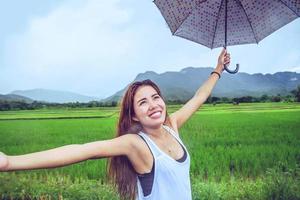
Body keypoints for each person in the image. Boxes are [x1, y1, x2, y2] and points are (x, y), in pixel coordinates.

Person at [0, 48, 230, 200]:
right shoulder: (136, 144)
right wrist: (9, 162)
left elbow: (199, 97)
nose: (153, 105)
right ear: (135, 116)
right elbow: (82, 151)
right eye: (143, 102)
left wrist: (218, 69)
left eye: (155, 97)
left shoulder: (172, 125)